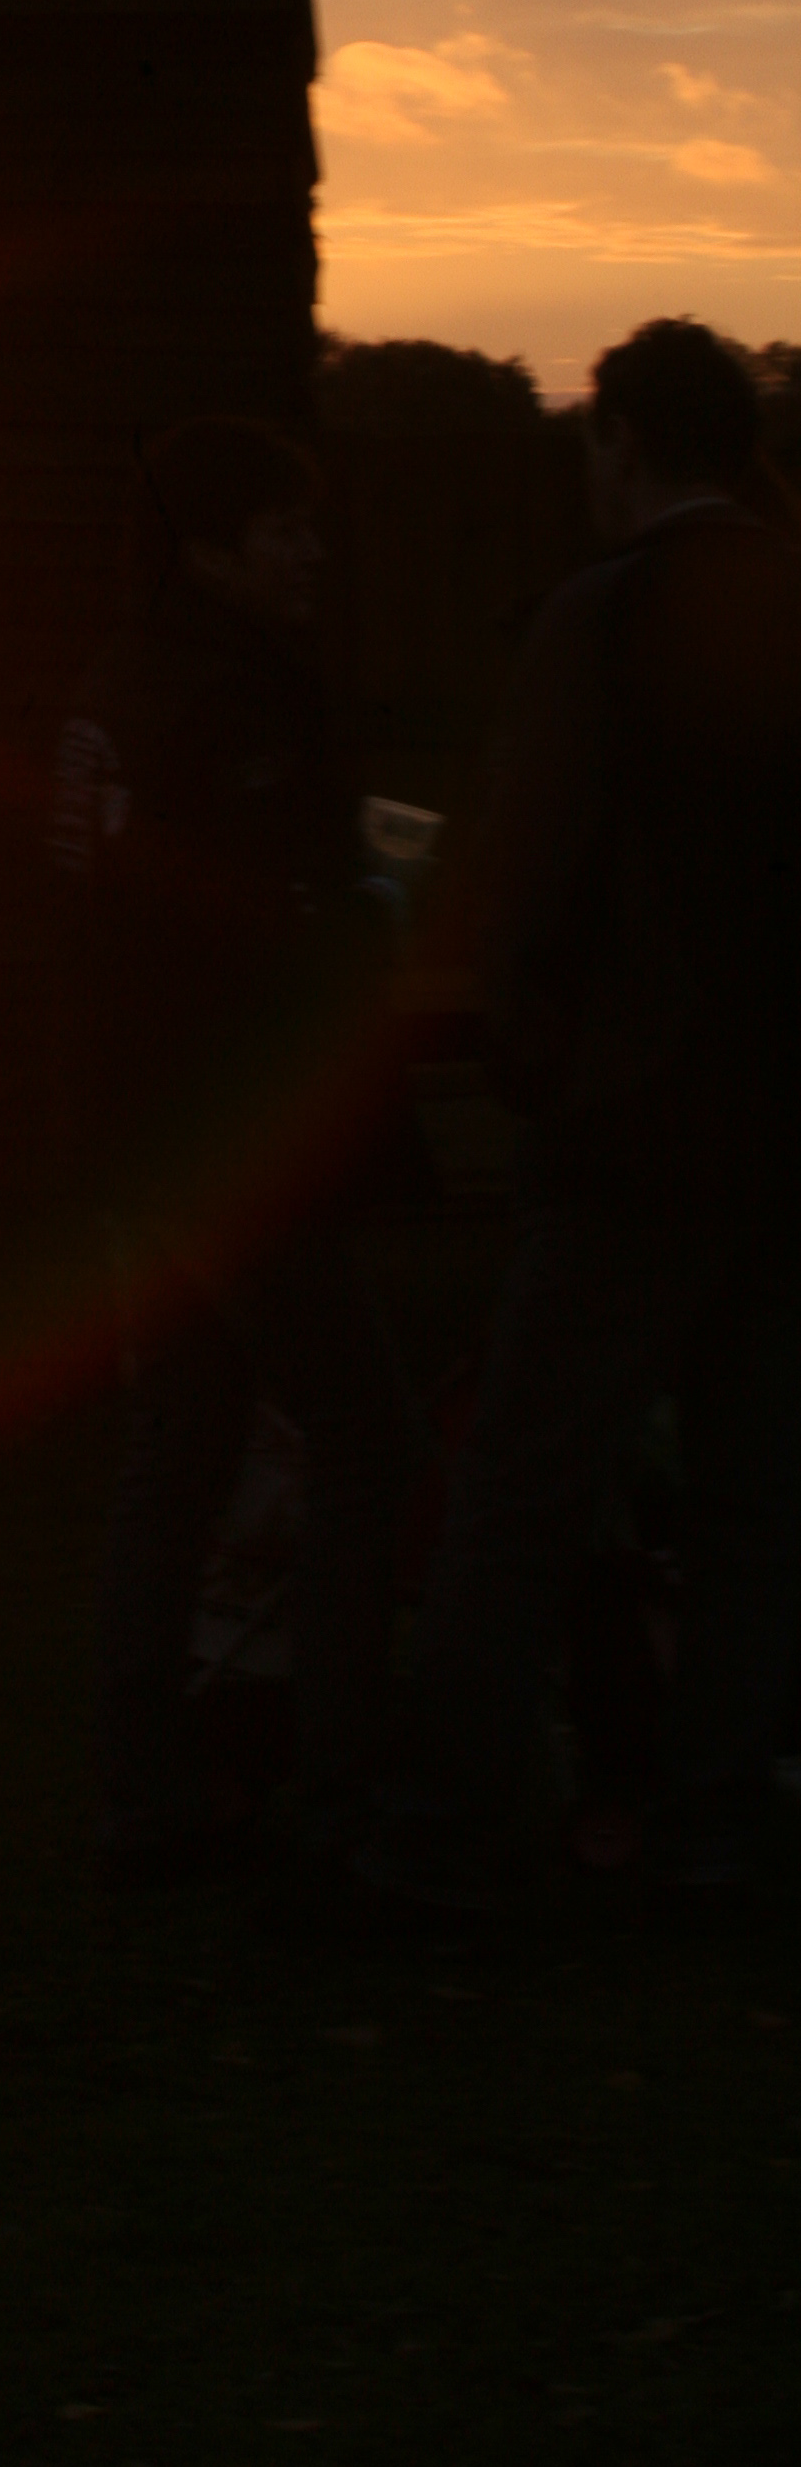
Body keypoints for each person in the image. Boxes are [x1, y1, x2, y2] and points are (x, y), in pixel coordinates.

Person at [372, 320, 801, 1905]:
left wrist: (522, 1045)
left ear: (621, 441)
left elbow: (530, 860)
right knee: (756, 1498)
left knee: (525, 1486)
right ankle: (715, 1818)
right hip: (781, 1125)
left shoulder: (604, 614)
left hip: (632, 1124)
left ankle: (447, 1822)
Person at [52, 417, 415, 1886]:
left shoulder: (117, 681)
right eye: (285, 530)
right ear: (213, 547)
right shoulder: (236, 698)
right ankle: (341, 1794)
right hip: (226, 1131)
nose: (310, 554)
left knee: (183, 1440)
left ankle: (144, 1793)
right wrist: (371, 921)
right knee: (366, 1440)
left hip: (132, 1120)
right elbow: (264, 925)